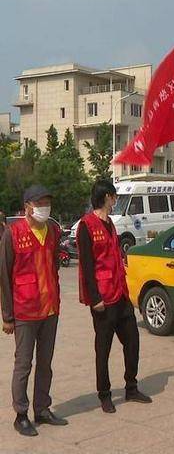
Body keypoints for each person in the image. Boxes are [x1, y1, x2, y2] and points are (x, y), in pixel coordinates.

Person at [78, 180, 152, 413]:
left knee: (132, 341)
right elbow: (87, 266)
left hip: (120, 294)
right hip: (102, 298)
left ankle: (131, 386)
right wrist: (94, 297)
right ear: (107, 197)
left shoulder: (110, 223)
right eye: (114, 196)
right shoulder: (86, 226)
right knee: (104, 348)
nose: (115, 200)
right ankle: (105, 393)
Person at [0, 185, 68, 436]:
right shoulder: (12, 233)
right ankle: (21, 414)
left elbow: (53, 267)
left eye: (47, 202)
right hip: (25, 311)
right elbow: (4, 277)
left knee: (46, 362)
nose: (44, 207)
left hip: (50, 309)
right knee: (23, 364)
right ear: (27, 206)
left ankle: (42, 408)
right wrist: (7, 316)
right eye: (39, 203)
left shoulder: (51, 231)